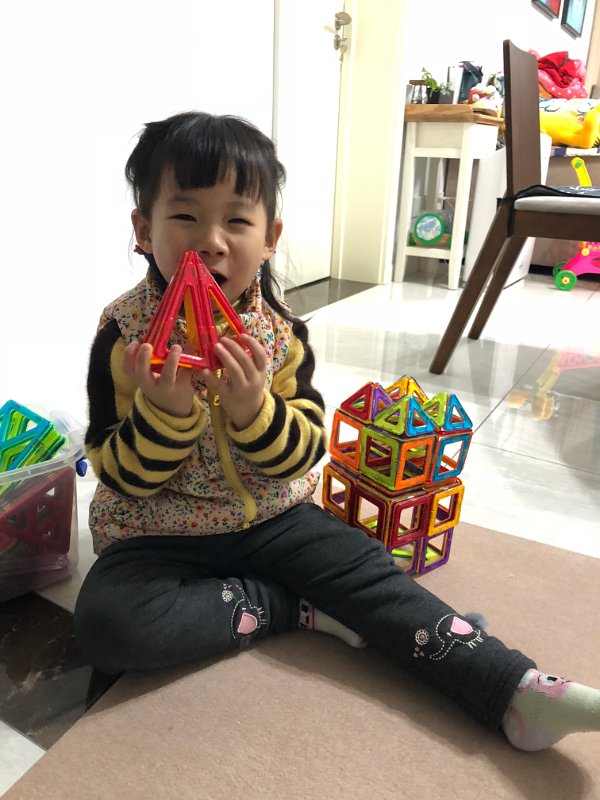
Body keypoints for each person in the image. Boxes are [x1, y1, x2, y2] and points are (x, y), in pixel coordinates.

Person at [74, 111, 599, 753]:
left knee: (373, 572)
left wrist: (254, 409)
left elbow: (302, 455)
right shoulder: (124, 335)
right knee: (106, 626)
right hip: (157, 534)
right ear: (142, 229)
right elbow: (119, 475)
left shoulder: (280, 334)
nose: (210, 242)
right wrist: (164, 416)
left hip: (274, 518)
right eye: (185, 216)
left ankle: (512, 688)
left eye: (236, 220)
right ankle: (287, 606)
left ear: (270, 238)